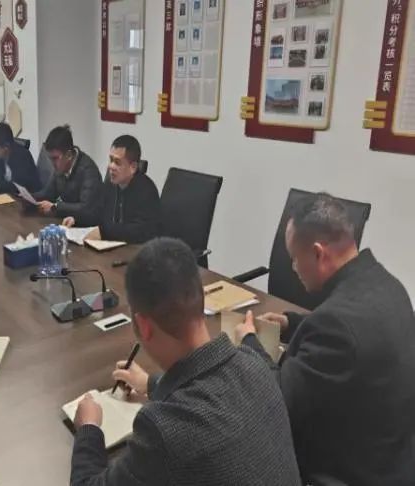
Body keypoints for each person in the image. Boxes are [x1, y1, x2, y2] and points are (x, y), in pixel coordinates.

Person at [70, 238, 301, 485]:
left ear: (144, 326)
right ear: (202, 300)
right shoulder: (257, 364)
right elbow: (209, 385)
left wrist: (89, 428)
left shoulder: (164, 429)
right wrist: (150, 383)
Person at [235, 194, 415, 485]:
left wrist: (249, 343)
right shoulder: (389, 286)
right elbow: (357, 335)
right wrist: (291, 324)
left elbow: (276, 399)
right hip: (392, 454)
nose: (293, 268)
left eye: (294, 258)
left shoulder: (336, 325)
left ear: (318, 253)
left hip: (349, 471)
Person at [62, 135, 159, 244]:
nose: (111, 166)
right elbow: (97, 212)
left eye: (117, 162)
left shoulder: (147, 191)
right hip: (110, 247)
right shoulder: (110, 184)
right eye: (111, 160)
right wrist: (77, 220)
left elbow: (139, 231)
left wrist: (103, 232)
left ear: (133, 167)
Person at [33, 125, 103, 221]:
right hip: (66, 221)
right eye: (50, 158)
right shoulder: (60, 167)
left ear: (69, 155)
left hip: (85, 225)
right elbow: (48, 194)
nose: (52, 163)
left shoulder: (88, 170)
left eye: (55, 158)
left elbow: (86, 209)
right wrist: (28, 198)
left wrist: (55, 207)